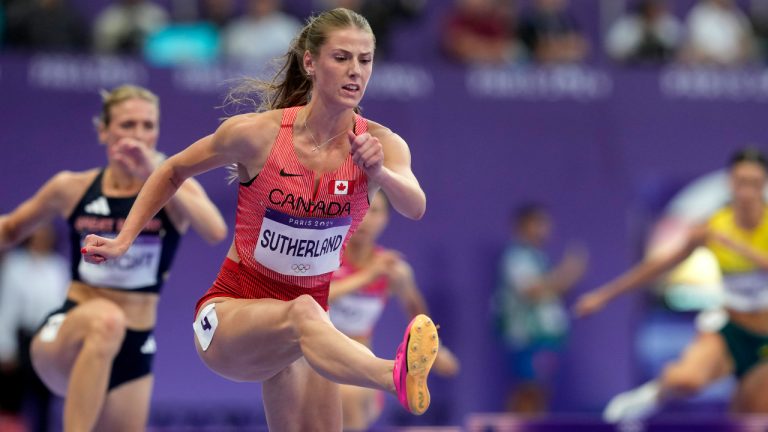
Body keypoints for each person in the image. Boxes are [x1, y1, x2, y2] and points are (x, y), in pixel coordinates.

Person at [82, 8, 440, 431]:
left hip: (301, 333)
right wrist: (125, 239)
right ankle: (392, 374)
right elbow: (173, 170)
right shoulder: (257, 134)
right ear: (310, 62)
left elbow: (414, 205)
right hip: (230, 317)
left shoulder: (381, 144)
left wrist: (378, 173)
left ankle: (387, 372)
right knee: (307, 313)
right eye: (341, 57)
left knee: (308, 324)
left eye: (365, 60)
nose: (355, 71)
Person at [0, 84, 228, 431]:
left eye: (147, 126)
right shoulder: (72, 188)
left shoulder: (176, 189)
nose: (138, 136)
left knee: (116, 330)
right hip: (70, 332)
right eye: (127, 125)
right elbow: (12, 229)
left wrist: (154, 172)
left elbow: (214, 231)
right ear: (104, 131)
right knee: (107, 321)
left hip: (134, 344)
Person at [574, 147, 768, 422]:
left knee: (752, 413)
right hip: (730, 330)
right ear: (730, 183)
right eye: (741, 182)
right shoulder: (714, 226)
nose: (747, 192)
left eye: (754, 183)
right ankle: (654, 393)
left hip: (765, 341)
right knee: (687, 380)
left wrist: (736, 245)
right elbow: (659, 265)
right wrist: (605, 295)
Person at [328, 191, 460, 430]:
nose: (366, 218)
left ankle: (394, 377)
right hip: (315, 362)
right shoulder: (326, 256)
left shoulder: (394, 270)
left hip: (359, 369)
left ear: (386, 219)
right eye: (359, 210)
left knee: (348, 395)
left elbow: (416, 313)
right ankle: (394, 377)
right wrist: (367, 276)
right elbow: (316, 297)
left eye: (375, 211)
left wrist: (438, 352)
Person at [494, 203, 587, 414]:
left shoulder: (539, 257)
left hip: (545, 338)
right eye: (539, 223)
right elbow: (533, 290)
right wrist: (567, 271)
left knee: (541, 391)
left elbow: (550, 291)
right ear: (523, 225)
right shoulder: (516, 257)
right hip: (527, 338)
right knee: (527, 391)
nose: (545, 228)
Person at [0, 224, 68, 432]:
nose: (42, 238)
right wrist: (5, 346)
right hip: (21, 338)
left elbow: (61, 305)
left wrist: (60, 344)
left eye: (46, 234)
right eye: (37, 234)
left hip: (48, 337)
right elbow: (8, 305)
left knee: (45, 400)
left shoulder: (58, 266)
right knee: (13, 400)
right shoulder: (15, 264)